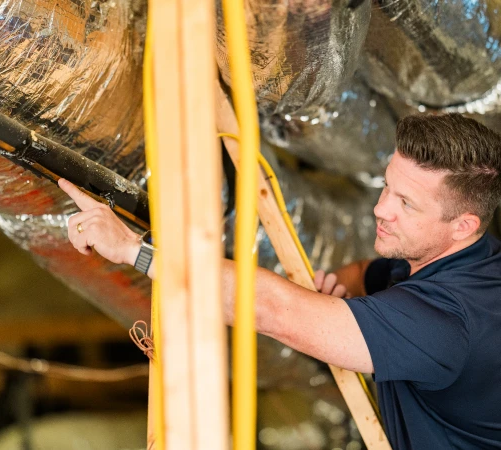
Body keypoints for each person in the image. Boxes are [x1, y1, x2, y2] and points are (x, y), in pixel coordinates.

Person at [58, 113, 501, 449]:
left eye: (407, 203)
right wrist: (337, 304)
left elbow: (277, 312)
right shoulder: (465, 261)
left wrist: (134, 249)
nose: (382, 209)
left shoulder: (447, 324)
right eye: (387, 186)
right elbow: (362, 275)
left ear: (463, 225)